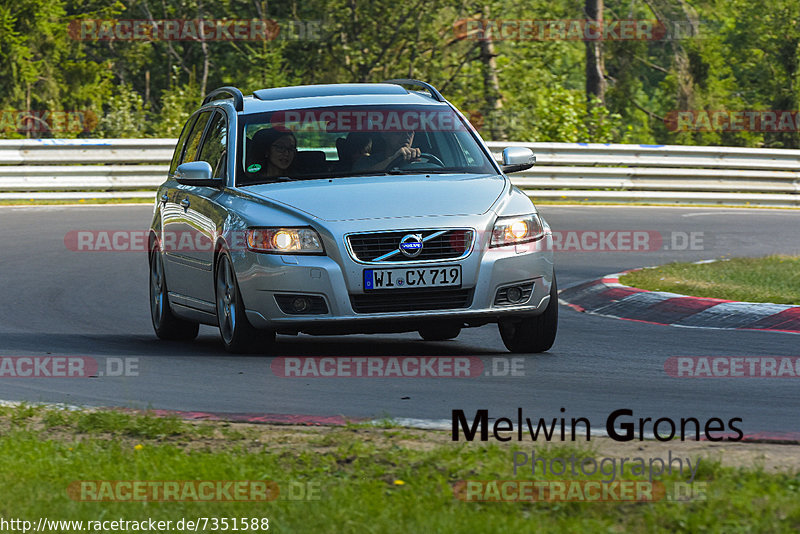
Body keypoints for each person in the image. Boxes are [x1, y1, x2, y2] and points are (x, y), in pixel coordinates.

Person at [352, 130, 420, 172]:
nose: (406, 136)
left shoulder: (424, 162)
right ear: (384, 134)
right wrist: (393, 159)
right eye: (399, 132)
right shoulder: (366, 162)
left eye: (410, 132)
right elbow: (361, 178)